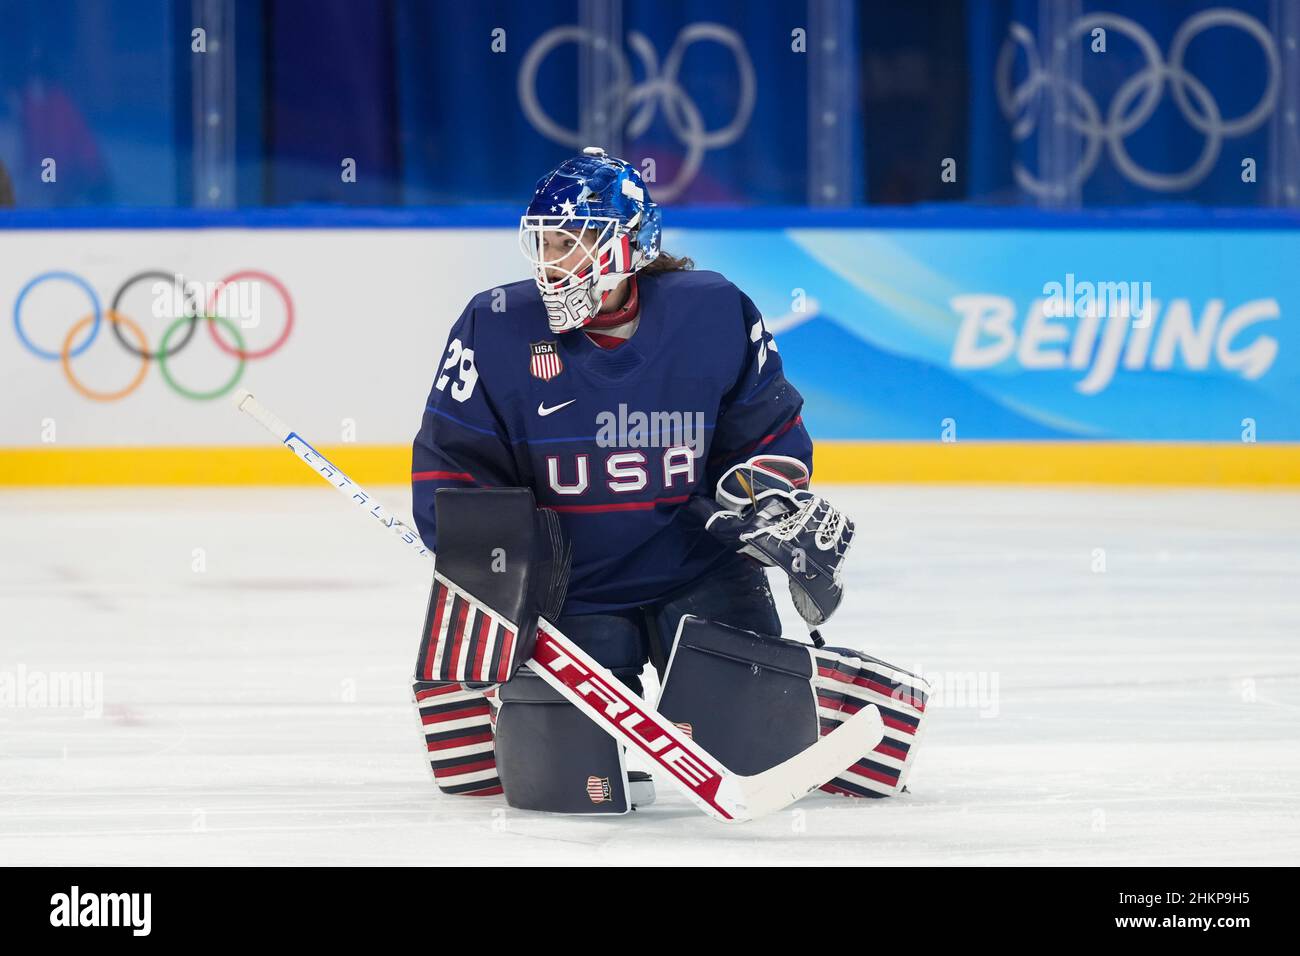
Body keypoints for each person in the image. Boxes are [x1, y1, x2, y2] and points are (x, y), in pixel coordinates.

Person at [409, 148, 920, 812]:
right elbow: (452, 465)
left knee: (763, 747)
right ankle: (485, 707)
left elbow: (769, 436)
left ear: (627, 245)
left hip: (696, 571)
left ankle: (833, 695)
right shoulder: (495, 324)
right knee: (563, 789)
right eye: (545, 243)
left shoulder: (711, 311)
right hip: (574, 593)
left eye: (572, 241)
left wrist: (764, 501)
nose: (552, 261)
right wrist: (493, 567)